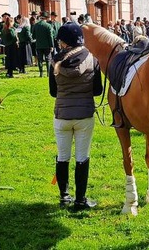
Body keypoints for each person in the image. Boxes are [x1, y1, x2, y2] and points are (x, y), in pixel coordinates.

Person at [49, 22, 103, 210]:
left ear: (63, 42)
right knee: (82, 157)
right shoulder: (92, 59)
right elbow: (98, 90)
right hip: (84, 115)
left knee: (63, 156)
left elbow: (53, 92)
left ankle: (64, 196)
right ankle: (80, 199)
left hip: (62, 114)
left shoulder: (54, 60)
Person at [31, 11, 55, 77]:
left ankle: (41, 73)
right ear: (46, 18)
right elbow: (50, 36)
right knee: (48, 59)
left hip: (38, 45)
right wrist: (51, 45)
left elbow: (33, 36)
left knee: (40, 59)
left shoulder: (36, 25)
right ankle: (48, 73)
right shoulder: (48, 25)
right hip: (47, 45)